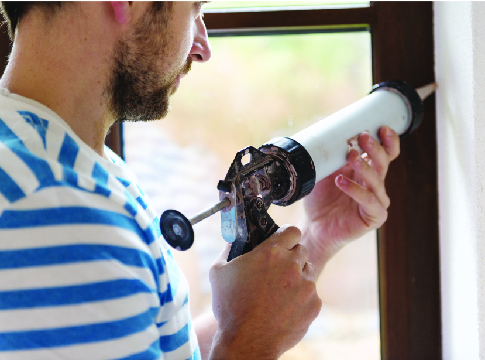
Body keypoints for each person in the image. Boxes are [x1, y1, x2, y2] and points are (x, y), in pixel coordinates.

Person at [0, 2, 400, 360]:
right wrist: (252, 340)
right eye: (194, 8)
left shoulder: (70, 162)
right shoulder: (56, 210)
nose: (202, 47)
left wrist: (315, 241)